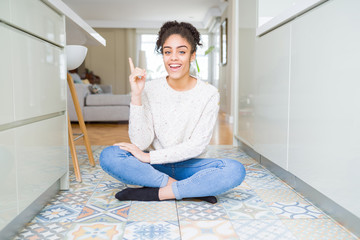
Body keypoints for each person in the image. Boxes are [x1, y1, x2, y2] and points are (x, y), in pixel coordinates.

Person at [99, 21, 245, 203]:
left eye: (181, 52)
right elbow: (140, 141)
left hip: (189, 165)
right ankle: (188, 189)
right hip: (155, 167)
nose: (173, 58)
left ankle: (154, 193)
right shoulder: (149, 89)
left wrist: (148, 156)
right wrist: (136, 95)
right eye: (168, 52)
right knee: (109, 155)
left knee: (235, 169)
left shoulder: (209, 93)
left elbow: (197, 145)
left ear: (192, 55)